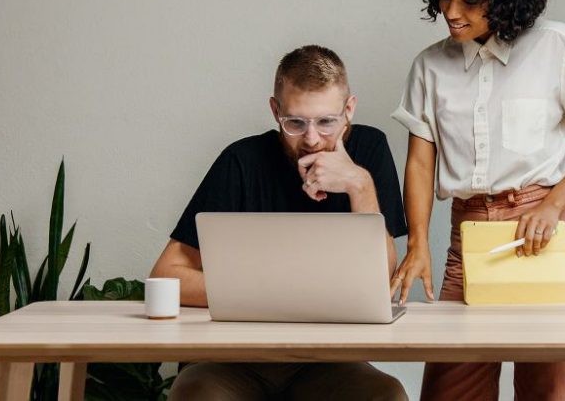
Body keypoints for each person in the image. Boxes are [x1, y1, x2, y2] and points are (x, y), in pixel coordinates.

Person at [390, 0, 565, 400]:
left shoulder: (560, 46)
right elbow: (419, 163)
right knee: (450, 392)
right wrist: (417, 243)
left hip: (544, 232)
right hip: (468, 236)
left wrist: (553, 206)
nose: (451, 13)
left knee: (548, 393)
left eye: (467, 1)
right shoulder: (429, 66)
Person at [152, 45, 409, 401]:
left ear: (349, 110)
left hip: (328, 362)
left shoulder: (370, 149)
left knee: (386, 395)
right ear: (275, 111)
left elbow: (381, 280)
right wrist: (273, 293)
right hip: (230, 360)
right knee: (196, 395)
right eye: (295, 122)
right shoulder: (241, 160)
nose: (312, 138)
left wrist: (359, 184)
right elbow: (167, 273)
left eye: (327, 121)